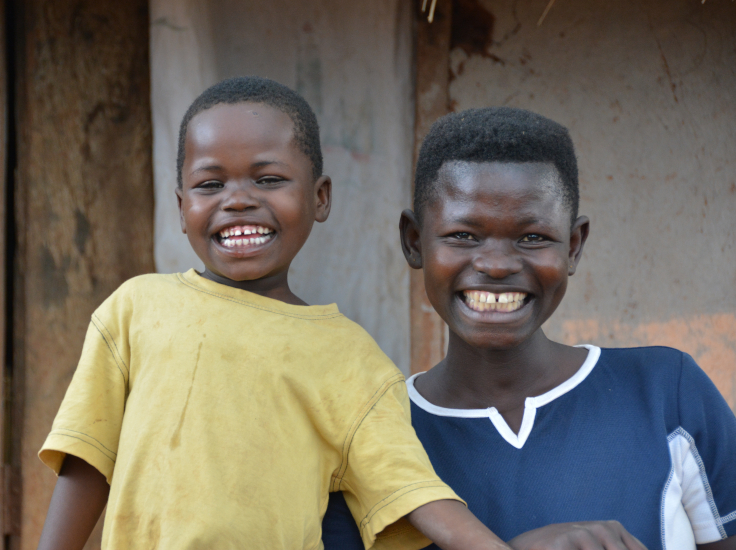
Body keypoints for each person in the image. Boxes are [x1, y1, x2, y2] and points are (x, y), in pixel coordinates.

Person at [34, 77, 527, 550]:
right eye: (210, 184)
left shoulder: (349, 357)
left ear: (319, 198)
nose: (239, 200)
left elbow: (414, 489)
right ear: (181, 207)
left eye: (269, 179)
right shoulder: (136, 308)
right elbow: (88, 459)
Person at [321, 107, 736, 550]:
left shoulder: (664, 392)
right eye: (464, 235)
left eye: (533, 238)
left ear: (574, 246)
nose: (497, 265)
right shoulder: (376, 435)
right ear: (414, 241)